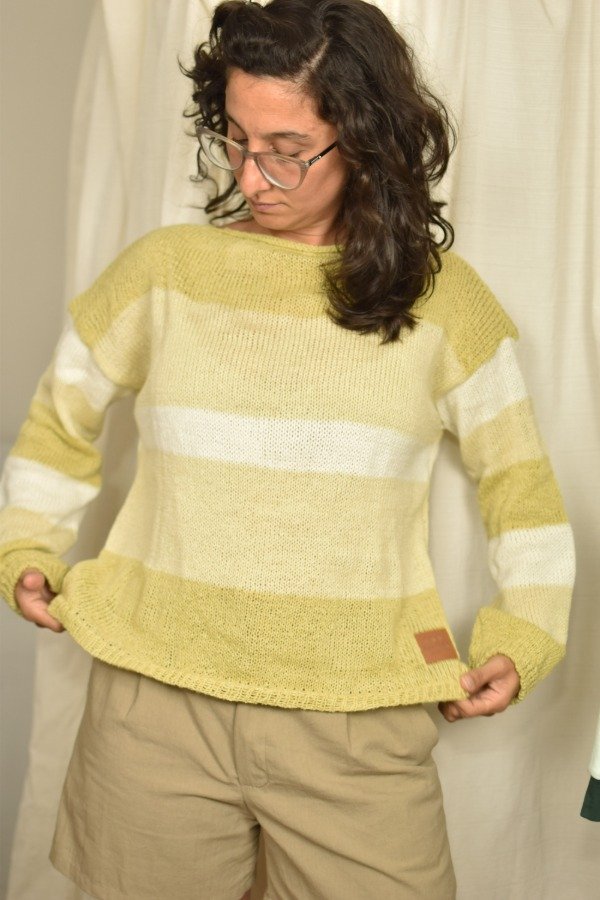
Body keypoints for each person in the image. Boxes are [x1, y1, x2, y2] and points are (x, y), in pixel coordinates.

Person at [0, 0, 575, 897]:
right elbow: (59, 420)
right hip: (152, 708)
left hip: (357, 718)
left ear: (364, 141)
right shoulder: (162, 272)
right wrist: (27, 544)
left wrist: (527, 630)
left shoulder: (440, 301)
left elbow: (521, 486)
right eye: (235, 138)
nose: (253, 174)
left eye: (287, 148)